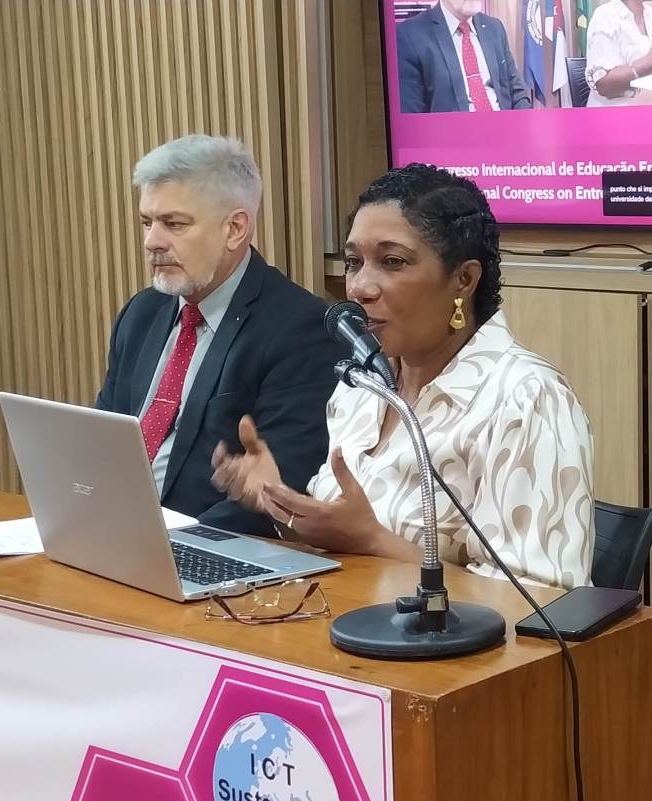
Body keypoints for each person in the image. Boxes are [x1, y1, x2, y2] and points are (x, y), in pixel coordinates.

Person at [211, 164, 595, 589]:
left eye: (392, 262)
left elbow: (538, 602)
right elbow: (340, 550)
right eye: (354, 262)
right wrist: (280, 503)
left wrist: (372, 540)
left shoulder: (526, 399)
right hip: (343, 622)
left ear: (464, 279)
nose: (359, 287)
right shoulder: (363, 385)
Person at [95, 135, 343, 537]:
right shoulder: (141, 314)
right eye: (147, 222)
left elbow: (277, 489)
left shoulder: (301, 329)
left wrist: (168, 545)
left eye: (174, 224)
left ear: (235, 228)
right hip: (111, 534)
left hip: (205, 550)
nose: (152, 241)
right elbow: (103, 441)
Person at [395, 0, 533, 113]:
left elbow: (517, 93)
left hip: (504, 131)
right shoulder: (411, 35)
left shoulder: (494, 28)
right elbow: (412, 117)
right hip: (453, 136)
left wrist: (523, 127)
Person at [585, 0, 652, 107]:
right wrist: (649, 62)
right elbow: (603, 85)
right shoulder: (605, 15)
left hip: (651, 105)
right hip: (614, 113)